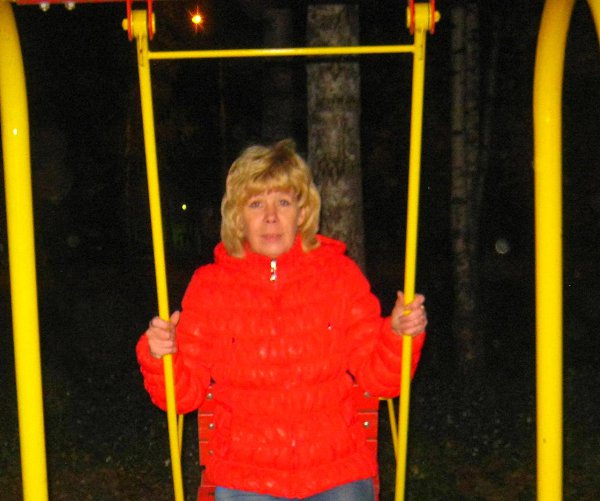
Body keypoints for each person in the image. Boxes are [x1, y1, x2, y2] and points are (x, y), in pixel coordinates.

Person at [136, 139, 428, 501]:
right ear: (238, 217)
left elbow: (380, 379)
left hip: (337, 472)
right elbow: (182, 397)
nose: (271, 217)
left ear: (302, 213)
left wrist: (399, 335)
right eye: (256, 204)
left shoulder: (338, 277)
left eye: (284, 202)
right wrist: (160, 355)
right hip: (247, 477)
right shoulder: (210, 288)